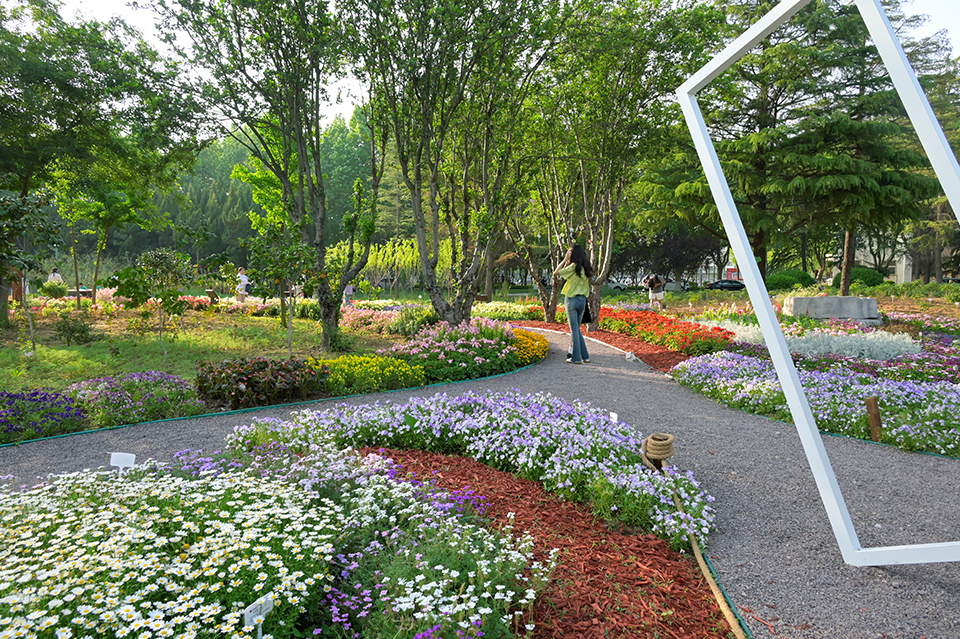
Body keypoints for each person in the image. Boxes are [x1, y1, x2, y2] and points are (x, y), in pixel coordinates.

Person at [553, 244, 594, 364]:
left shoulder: (573, 267)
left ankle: (576, 358)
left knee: (574, 330)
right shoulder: (586, 267)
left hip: (571, 300)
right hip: (582, 301)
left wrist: (565, 259)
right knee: (577, 330)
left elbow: (556, 272)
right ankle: (585, 356)